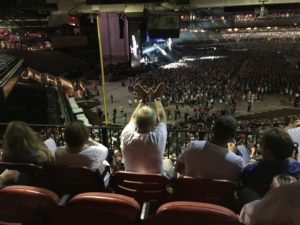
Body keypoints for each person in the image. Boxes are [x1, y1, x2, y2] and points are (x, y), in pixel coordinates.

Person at [120, 83, 172, 177]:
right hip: (156, 185)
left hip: (131, 182)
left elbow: (133, 117)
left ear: (137, 122)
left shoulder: (126, 135)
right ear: (153, 124)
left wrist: (142, 101)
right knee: (168, 161)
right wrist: (157, 99)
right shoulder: (157, 139)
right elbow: (163, 118)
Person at [175, 115, 245, 181]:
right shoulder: (237, 162)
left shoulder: (193, 146)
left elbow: (178, 167)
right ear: (233, 136)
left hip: (190, 192)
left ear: (213, 130)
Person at [55, 121, 110, 187]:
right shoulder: (94, 151)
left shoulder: (58, 152)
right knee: (106, 161)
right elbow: (105, 149)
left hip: (71, 185)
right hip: (92, 186)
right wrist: (91, 141)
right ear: (85, 137)